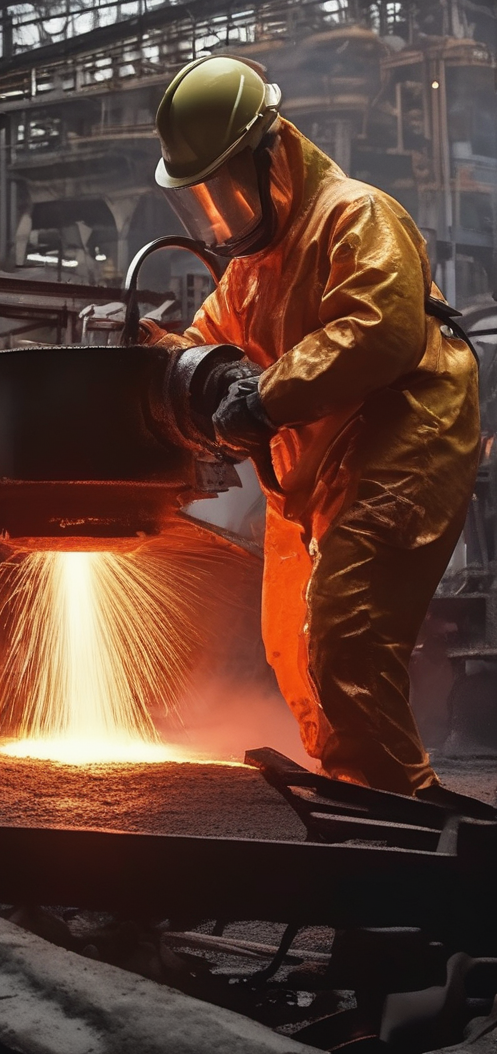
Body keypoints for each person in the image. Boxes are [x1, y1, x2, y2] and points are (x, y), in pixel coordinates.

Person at [142, 53, 480, 798]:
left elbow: (380, 329)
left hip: (401, 435)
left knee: (347, 629)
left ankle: (394, 806)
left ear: (274, 154)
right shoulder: (249, 271)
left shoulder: (356, 216)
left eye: (226, 191)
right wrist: (146, 356)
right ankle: (350, 780)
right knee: (290, 639)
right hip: (311, 461)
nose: (219, 217)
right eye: (201, 201)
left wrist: (265, 398)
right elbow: (204, 349)